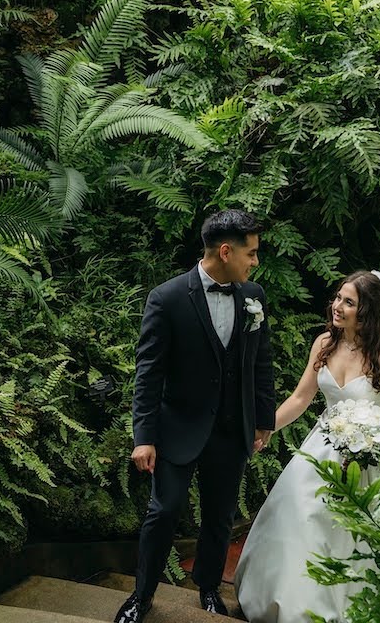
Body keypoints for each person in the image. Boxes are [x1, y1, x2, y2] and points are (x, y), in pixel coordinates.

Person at [233, 270, 380, 623]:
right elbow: (301, 399)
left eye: (349, 302)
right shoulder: (324, 344)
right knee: (300, 513)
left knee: (357, 536)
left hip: (371, 460)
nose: (337, 306)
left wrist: (368, 450)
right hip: (323, 448)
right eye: (338, 298)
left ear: (368, 311)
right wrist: (263, 429)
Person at [114, 209, 277, 623]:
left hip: (229, 430)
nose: (255, 261)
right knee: (163, 511)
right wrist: (143, 436)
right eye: (251, 253)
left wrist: (263, 420)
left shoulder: (253, 296)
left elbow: (261, 364)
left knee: (220, 517)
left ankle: (207, 588)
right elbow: (149, 373)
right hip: (177, 428)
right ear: (225, 251)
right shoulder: (166, 298)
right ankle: (141, 595)